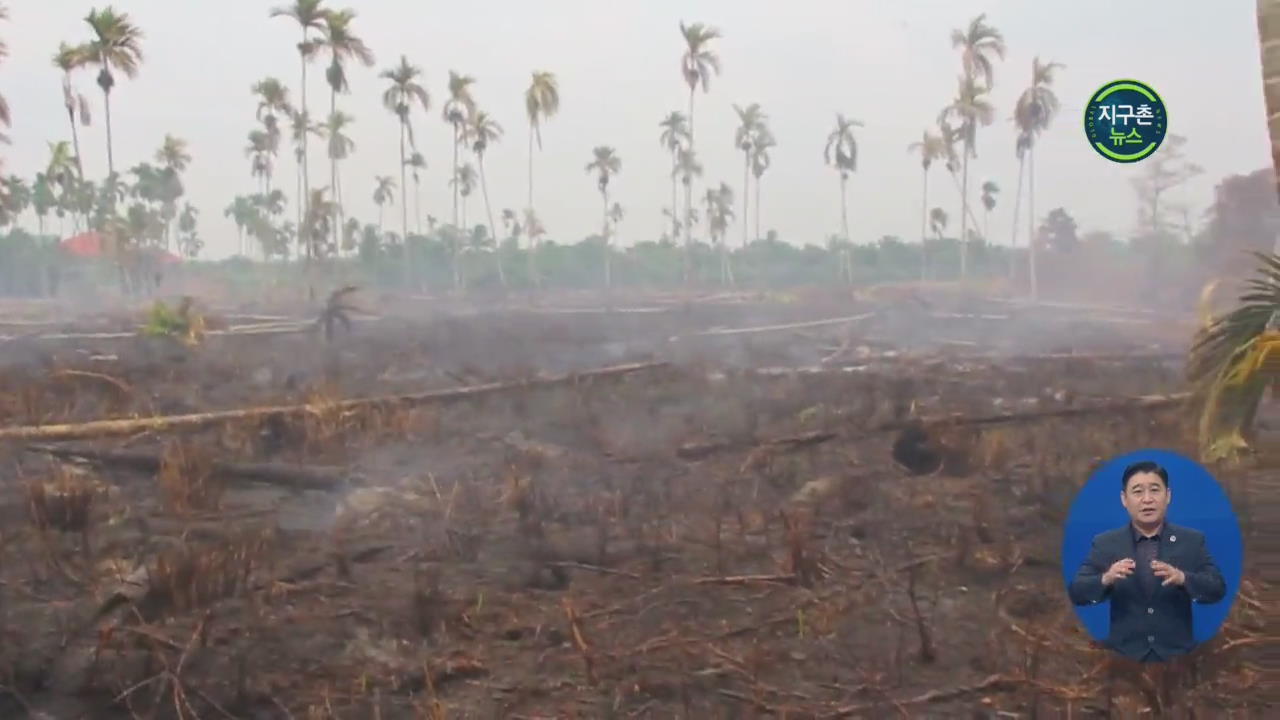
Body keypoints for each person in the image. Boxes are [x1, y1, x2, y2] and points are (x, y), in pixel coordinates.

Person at [1068, 460, 1226, 662]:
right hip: (1123, 658)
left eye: (1154, 490)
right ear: (1124, 499)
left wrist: (1183, 578)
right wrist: (1106, 578)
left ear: (1167, 496)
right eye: (1137, 491)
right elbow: (1077, 592)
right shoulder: (1106, 543)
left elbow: (1217, 589)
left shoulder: (1191, 541)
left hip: (1178, 658)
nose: (1147, 499)